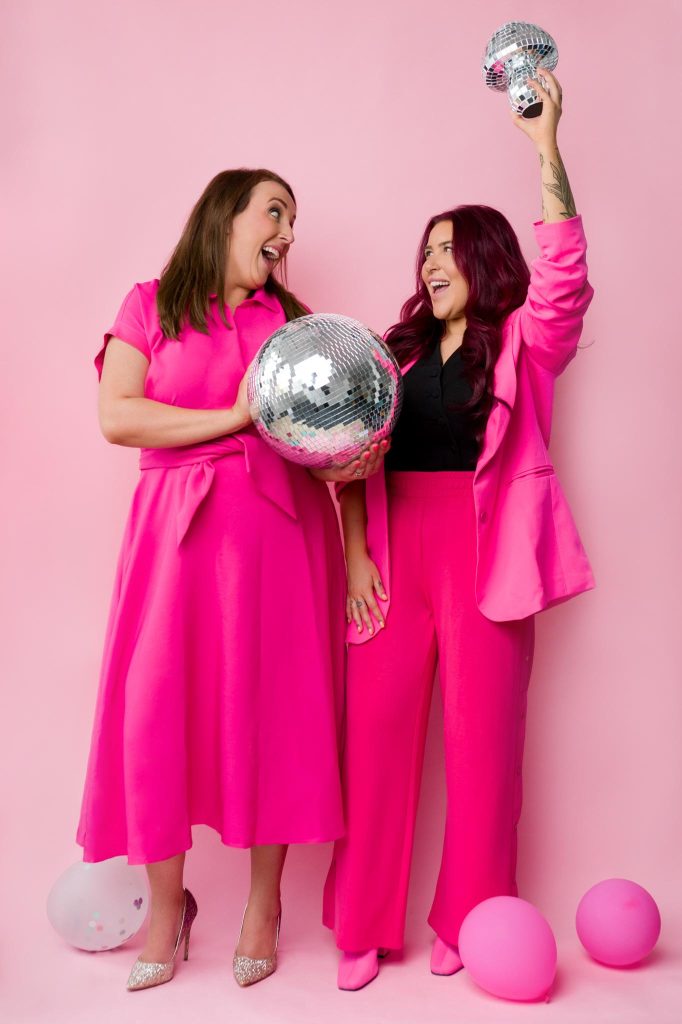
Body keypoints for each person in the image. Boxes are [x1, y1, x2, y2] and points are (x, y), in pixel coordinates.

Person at [76, 168, 385, 991]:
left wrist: (357, 549)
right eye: (274, 211)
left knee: (271, 716)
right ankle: (169, 909)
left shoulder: (294, 322)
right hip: (173, 540)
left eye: (295, 219)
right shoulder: (150, 302)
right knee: (154, 714)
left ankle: (262, 904)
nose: (287, 231)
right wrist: (235, 418)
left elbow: (341, 451)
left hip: (280, 541)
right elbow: (119, 414)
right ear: (225, 216)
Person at [322, 69, 595, 990]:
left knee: (484, 752)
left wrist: (545, 148)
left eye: (449, 248)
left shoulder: (524, 338)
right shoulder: (388, 353)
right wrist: (357, 549)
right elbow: (343, 458)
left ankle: (472, 919)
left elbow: (565, 282)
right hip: (395, 558)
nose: (431, 263)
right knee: (376, 740)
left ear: (485, 259)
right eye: (425, 250)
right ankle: (362, 925)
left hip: (490, 560)